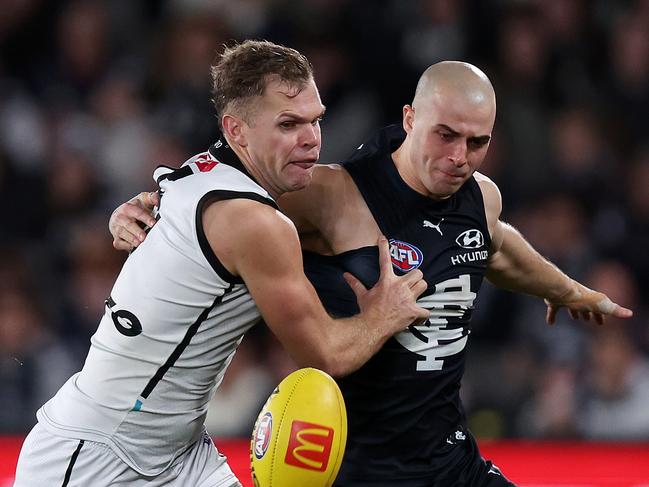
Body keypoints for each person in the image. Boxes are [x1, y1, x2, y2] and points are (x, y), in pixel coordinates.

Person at [110, 61, 633, 486]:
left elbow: (499, 249)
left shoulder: (480, 198)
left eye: (477, 143)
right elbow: (221, 204)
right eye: (445, 135)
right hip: (356, 469)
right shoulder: (329, 194)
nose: (459, 158)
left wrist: (567, 290)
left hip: (451, 465)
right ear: (409, 118)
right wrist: (148, 205)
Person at [13, 40, 429, 487]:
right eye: (289, 123)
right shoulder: (253, 221)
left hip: (180, 454)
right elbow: (325, 353)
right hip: (96, 452)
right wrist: (383, 314)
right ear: (237, 130)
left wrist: (124, 214)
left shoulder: (199, 172)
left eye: (316, 119)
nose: (311, 138)